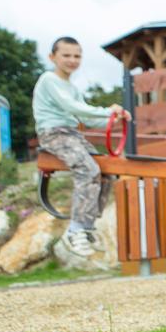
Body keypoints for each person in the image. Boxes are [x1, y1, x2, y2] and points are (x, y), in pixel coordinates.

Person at [32, 37, 131, 258]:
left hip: (72, 134)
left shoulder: (72, 88)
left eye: (77, 56)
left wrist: (115, 117)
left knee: (106, 172)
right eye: (66, 55)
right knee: (87, 169)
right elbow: (71, 107)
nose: (72, 60)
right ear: (53, 57)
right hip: (54, 133)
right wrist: (107, 110)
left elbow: (86, 117)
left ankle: (86, 226)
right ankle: (74, 229)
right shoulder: (49, 79)